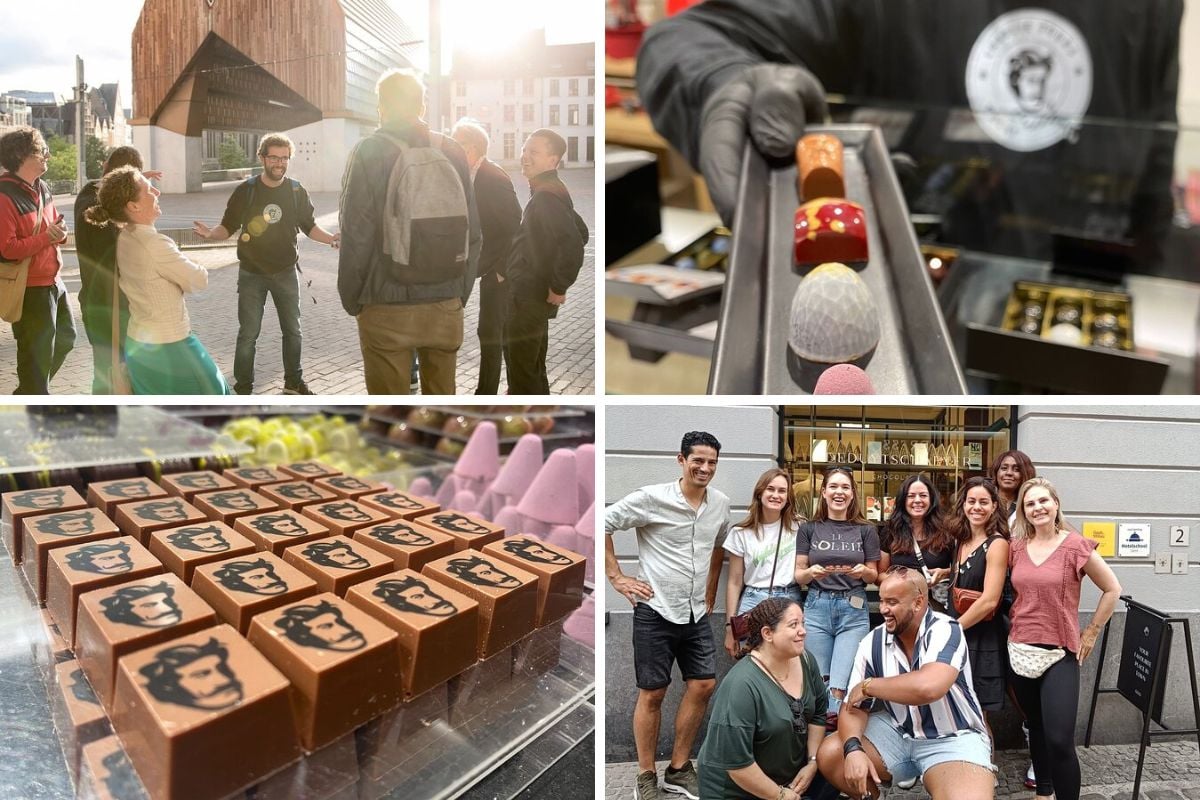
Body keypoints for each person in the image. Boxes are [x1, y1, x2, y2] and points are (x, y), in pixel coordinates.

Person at [636, 3, 1181, 268]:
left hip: (1086, 267)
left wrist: (1153, 266)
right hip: (913, 267)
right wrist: (721, 82)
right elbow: (691, 37)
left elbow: (1158, 138)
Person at [338, 69, 481, 395]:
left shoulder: (368, 152)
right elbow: (473, 231)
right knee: (444, 409)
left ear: (381, 107)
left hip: (384, 302)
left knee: (391, 412)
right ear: (422, 107)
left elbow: (356, 234)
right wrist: (459, 292)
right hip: (445, 302)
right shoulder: (453, 150)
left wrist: (353, 299)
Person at [605, 431, 731, 800]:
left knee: (704, 684)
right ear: (681, 459)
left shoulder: (720, 503)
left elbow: (719, 544)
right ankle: (646, 776)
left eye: (711, 462)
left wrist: (710, 589)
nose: (705, 468)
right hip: (655, 610)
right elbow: (603, 523)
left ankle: (678, 768)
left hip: (695, 613)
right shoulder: (651, 498)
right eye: (698, 460)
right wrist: (617, 576)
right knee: (653, 693)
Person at [817, 566, 996, 800]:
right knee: (832, 752)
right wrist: (853, 749)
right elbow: (853, 707)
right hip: (900, 731)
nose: (883, 609)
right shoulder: (873, 641)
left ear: (918, 602)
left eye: (892, 602)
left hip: (954, 737)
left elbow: (929, 687)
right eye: (881, 601)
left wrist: (868, 685)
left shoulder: (945, 629)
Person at [192, 133, 338, 395]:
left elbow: (310, 227)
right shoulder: (246, 190)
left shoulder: (296, 191)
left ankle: (293, 382)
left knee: (293, 331)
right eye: (274, 157)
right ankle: (244, 387)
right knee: (248, 334)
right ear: (262, 158)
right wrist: (210, 234)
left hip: (285, 272)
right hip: (251, 274)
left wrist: (332, 240)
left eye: (284, 158)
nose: (279, 163)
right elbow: (227, 226)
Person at [1008, 477, 1121, 800]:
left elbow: (1112, 589)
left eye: (1043, 501)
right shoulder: (1017, 548)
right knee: (1037, 729)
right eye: (1030, 504)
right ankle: (1043, 793)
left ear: (1055, 504)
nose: (1038, 508)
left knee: (1059, 739)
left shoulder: (1075, 545)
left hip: (1060, 652)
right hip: (1021, 649)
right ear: (1023, 512)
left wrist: (1092, 632)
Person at [83, 167, 228, 394]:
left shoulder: (125, 236)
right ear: (133, 206)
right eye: (149, 189)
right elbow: (199, 280)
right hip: (170, 345)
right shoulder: (155, 244)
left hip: (139, 345)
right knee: (216, 394)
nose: (157, 193)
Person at [698, 598, 828, 800]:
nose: (803, 631)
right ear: (767, 633)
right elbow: (737, 764)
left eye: (803, 623)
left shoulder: (805, 660)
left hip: (789, 781)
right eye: (793, 625)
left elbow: (819, 713)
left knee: (837, 756)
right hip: (737, 791)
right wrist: (781, 795)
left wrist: (813, 762)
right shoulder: (741, 685)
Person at [503, 128, 589, 394]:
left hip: (529, 296)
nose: (525, 157)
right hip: (531, 295)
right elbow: (582, 231)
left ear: (553, 160)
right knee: (532, 365)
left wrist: (558, 286)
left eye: (534, 152)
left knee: (522, 370)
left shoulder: (545, 197)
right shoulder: (550, 190)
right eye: (525, 150)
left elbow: (573, 243)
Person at [75, 146, 162, 394]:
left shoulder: (88, 195)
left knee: (107, 372)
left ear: (105, 167)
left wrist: (137, 185)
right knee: (114, 376)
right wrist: (142, 205)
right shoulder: (105, 211)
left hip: (96, 301)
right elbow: (127, 251)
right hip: (114, 306)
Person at [793, 467, 879, 719]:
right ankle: (820, 744)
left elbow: (874, 575)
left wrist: (863, 571)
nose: (839, 492)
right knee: (819, 682)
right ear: (824, 492)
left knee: (840, 684)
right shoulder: (809, 529)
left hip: (852, 609)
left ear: (853, 494)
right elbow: (799, 574)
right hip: (816, 607)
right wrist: (811, 573)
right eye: (833, 487)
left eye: (845, 487)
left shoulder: (866, 530)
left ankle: (832, 743)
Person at [0, 126, 75, 393]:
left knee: (66, 338)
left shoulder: (42, 188)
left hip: (54, 281)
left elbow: (53, 226)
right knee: (36, 359)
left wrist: (61, 234)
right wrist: (46, 237)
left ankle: (28, 391)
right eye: (42, 150)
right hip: (30, 289)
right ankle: (31, 396)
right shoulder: (4, 196)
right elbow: (7, 250)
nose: (48, 155)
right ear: (22, 155)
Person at [450, 119, 521, 395]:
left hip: (499, 268)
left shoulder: (493, 177)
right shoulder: (469, 175)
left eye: (459, 145)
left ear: (473, 148)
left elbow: (516, 226)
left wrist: (502, 269)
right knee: (492, 333)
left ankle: (490, 392)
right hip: (482, 265)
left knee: (493, 333)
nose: (453, 150)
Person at [948, 476, 1012, 749]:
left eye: (984, 502)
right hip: (962, 633)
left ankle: (986, 771)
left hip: (981, 638)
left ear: (994, 506)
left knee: (977, 712)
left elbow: (989, 600)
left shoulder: (998, 544)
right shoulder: (960, 542)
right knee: (956, 708)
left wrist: (952, 630)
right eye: (971, 501)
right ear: (963, 505)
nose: (977, 507)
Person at [721, 467, 802, 658]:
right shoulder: (740, 533)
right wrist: (729, 626)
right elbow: (734, 581)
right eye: (770, 489)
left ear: (788, 496)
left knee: (789, 661)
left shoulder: (800, 527)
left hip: (788, 597)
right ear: (760, 493)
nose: (776, 495)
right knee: (752, 662)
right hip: (753, 601)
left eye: (782, 491)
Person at [878, 474, 955, 613]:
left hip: (937, 607)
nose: (917, 500)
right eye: (911, 496)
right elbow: (880, 574)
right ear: (903, 500)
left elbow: (960, 570)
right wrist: (901, 580)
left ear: (931, 499)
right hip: (901, 608)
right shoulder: (891, 530)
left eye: (923, 495)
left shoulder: (947, 530)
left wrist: (944, 573)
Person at [989, 450, 1037, 524]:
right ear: (996, 472)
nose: (1009, 473)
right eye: (1004, 468)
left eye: (1016, 470)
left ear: (1025, 474)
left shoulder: (1031, 505)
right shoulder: (986, 502)